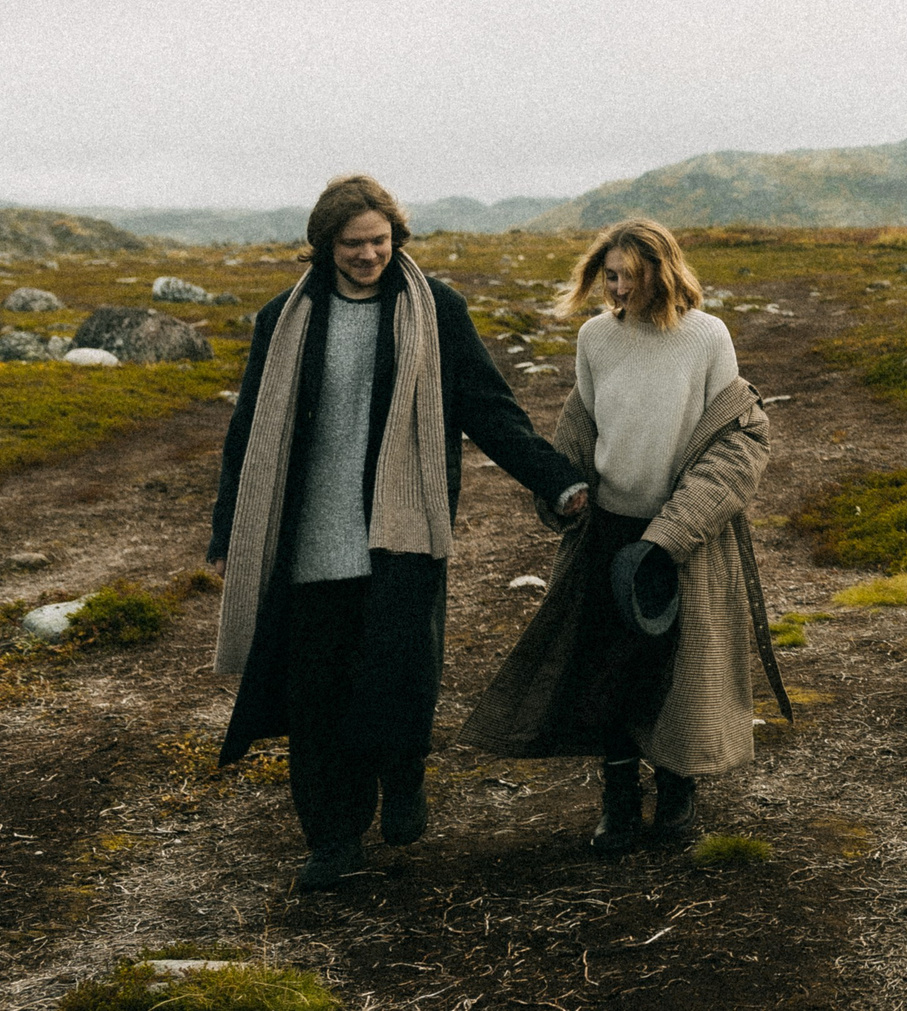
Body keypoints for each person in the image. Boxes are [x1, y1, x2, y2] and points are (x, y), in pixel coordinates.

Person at [208, 175, 590, 891]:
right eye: (353, 244)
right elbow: (248, 432)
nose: (368, 255)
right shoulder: (284, 319)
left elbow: (487, 406)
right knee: (317, 697)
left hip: (399, 532)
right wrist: (231, 530)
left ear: (397, 238)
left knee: (396, 676)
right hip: (308, 541)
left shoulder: (435, 309)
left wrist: (555, 479)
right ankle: (334, 839)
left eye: (379, 241)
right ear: (325, 244)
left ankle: (402, 769)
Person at [462, 218, 788, 852]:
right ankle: (617, 800)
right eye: (609, 276)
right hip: (609, 534)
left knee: (678, 668)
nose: (617, 289)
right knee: (605, 666)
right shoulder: (595, 339)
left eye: (630, 277)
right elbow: (580, 428)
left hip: (684, 539)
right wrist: (562, 489)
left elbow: (733, 437)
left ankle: (676, 790)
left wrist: (673, 531)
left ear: (663, 274)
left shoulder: (707, 337)